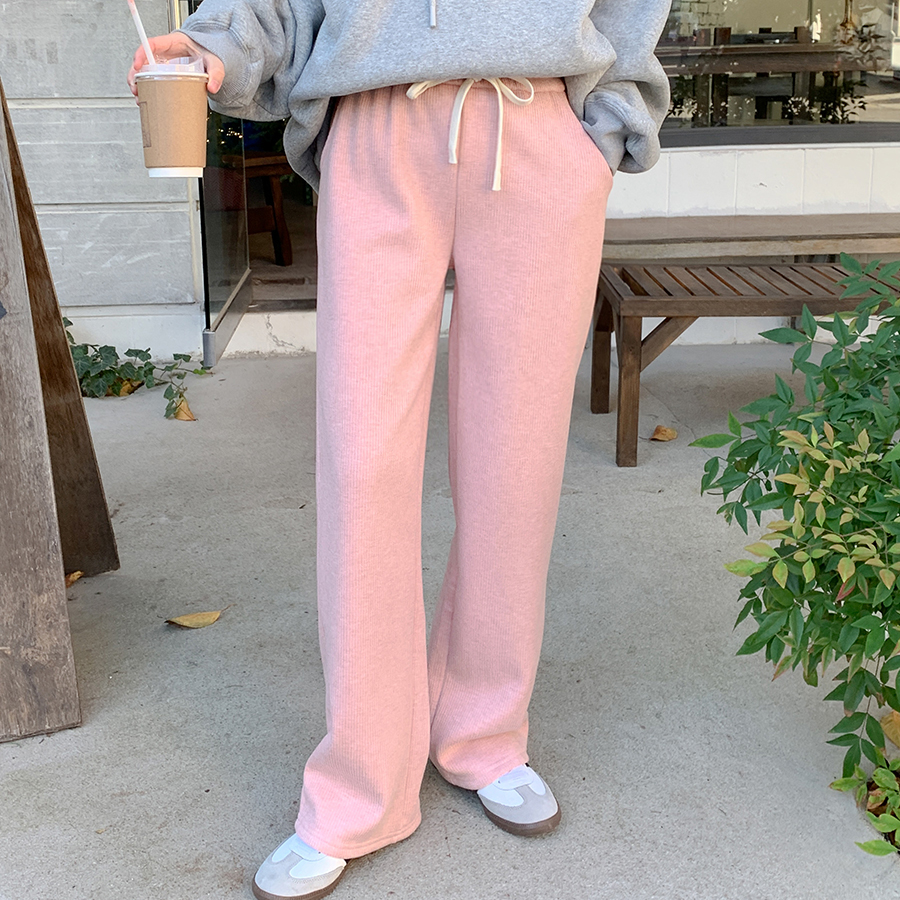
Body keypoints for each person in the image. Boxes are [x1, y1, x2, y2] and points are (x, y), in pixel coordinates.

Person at [128, 3, 672, 898]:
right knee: (362, 463)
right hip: (379, 128)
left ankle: (485, 733)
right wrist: (222, 44)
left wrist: (606, 129)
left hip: (540, 127)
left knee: (517, 462)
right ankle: (358, 784)